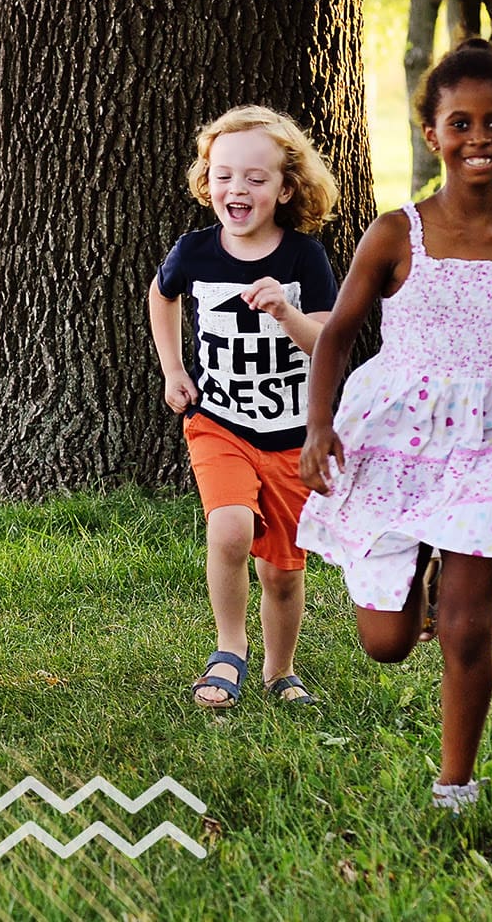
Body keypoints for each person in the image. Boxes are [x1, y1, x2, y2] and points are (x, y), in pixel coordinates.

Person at [297, 39, 492, 810]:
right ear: (433, 133)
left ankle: (456, 785)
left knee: (470, 628)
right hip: (394, 432)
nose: (480, 137)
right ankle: (420, 569)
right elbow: (338, 333)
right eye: (462, 123)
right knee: (388, 643)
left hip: (489, 439)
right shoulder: (395, 232)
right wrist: (318, 427)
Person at [148, 106, 340, 709]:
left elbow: (329, 343)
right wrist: (174, 368)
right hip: (218, 423)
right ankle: (228, 649)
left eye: (257, 179)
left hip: (290, 434)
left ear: (286, 188)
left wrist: (286, 311)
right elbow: (161, 296)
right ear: (207, 181)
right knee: (227, 527)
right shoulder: (195, 251)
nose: (239, 189)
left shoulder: (303, 259)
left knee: (283, 572)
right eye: (225, 175)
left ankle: (280, 671)